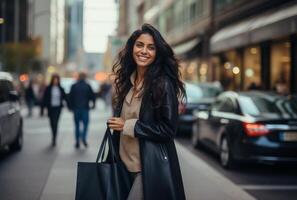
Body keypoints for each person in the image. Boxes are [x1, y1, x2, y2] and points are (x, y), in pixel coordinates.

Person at [108, 24, 186, 200]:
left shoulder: (162, 84)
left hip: (147, 168)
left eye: (151, 47)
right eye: (139, 45)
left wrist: (127, 125)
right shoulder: (128, 82)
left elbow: (168, 130)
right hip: (122, 166)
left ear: (157, 53)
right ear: (132, 48)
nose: (144, 51)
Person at [69, 72, 96, 148]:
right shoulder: (87, 86)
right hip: (85, 108)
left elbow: (70, 97)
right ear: (85, 77)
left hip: (76, 108)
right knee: (85, 125)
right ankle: (83, 137)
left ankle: (77, 141)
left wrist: (70, 107)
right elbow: (92, 96)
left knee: (77, 125)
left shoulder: (74, 86)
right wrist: (93, 104)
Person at [42, 74, 68, 147]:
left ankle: (54, 138)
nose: (55, 81)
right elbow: (44, 98)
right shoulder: (48, 88)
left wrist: (69, 105)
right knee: (52, 123)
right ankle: (53, 134)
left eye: (57, 80)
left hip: (58, 108)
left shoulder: (61, 88)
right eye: (54, 79)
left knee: (55, 122)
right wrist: (42, 109)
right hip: (50, 108)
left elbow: (65, 97)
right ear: (52, 80)